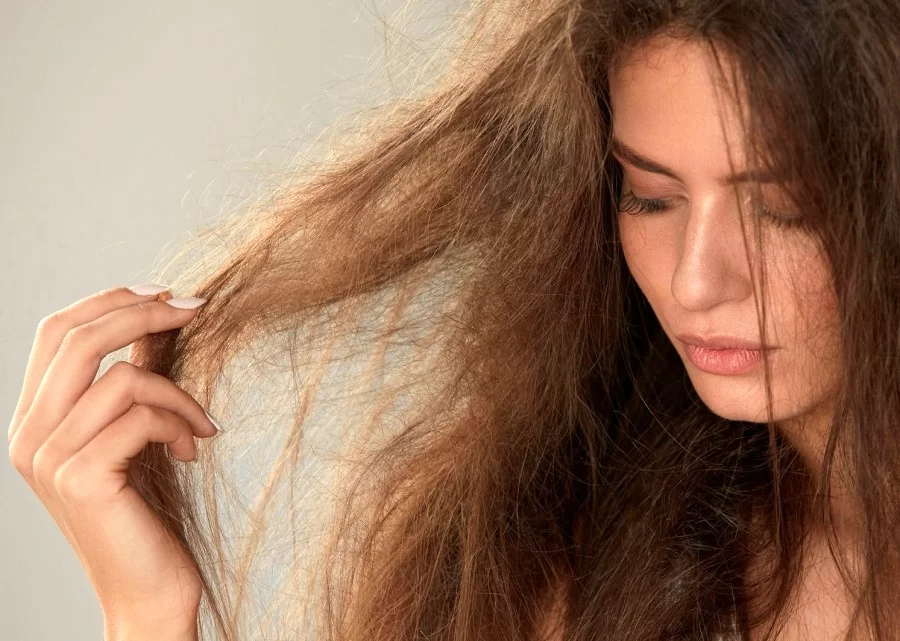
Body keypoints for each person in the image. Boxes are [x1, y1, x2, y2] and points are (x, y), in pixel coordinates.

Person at [7, 0, 900, 639]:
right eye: (651, 196)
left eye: (786, 209)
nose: (698, 281)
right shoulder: (573, 571)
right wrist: (147, 613)